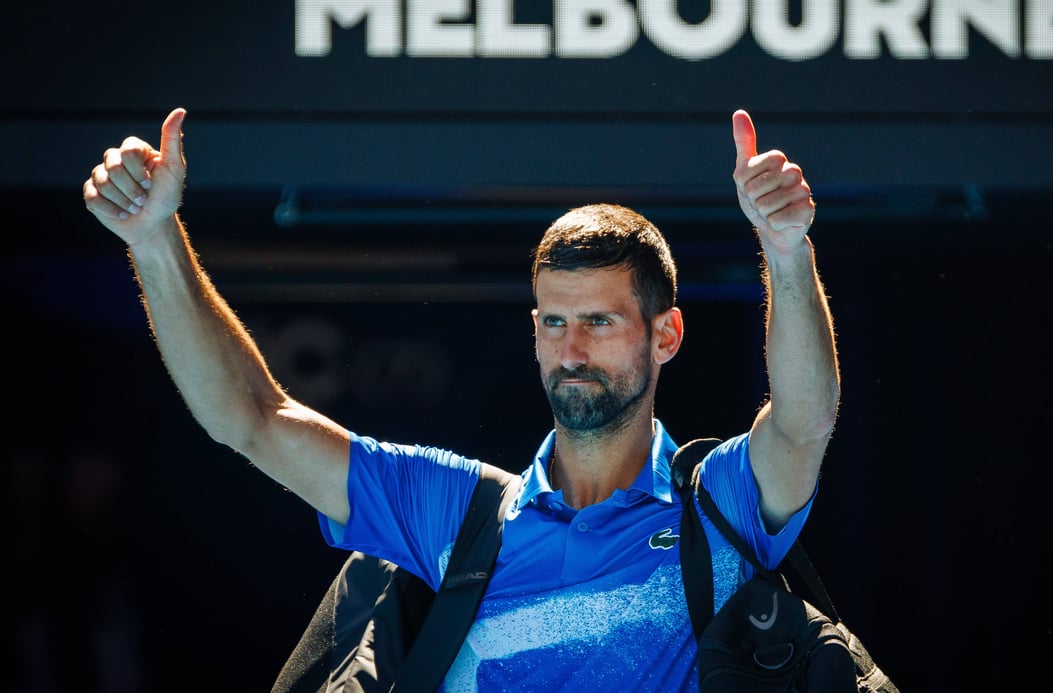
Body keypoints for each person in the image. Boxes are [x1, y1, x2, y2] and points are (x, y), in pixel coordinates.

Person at [81, 107, 840, 690]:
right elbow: (251, 417)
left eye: (600, 322)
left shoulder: (719, 511)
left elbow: (804, 423)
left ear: (666, 334)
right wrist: (153, 238)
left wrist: (786, 249)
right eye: (553, 322)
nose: (570, 351)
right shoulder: (458, 512)